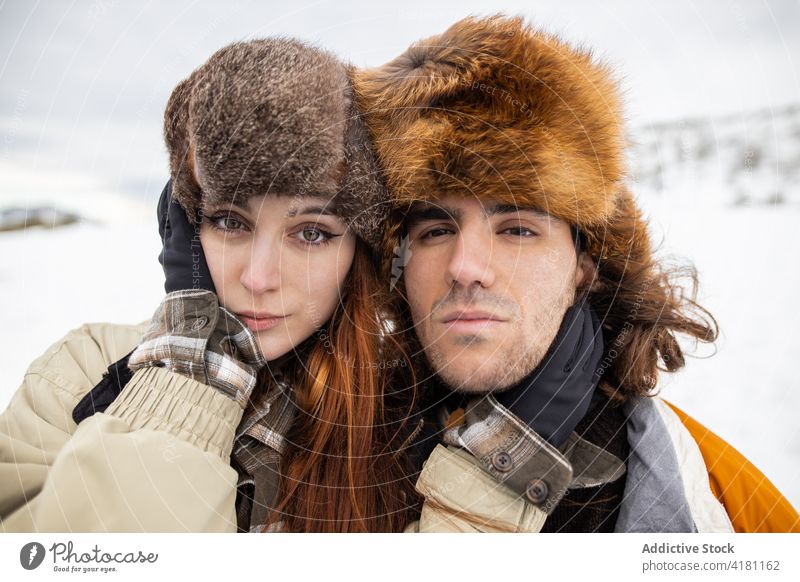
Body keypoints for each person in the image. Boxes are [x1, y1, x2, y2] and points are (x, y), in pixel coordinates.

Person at [354, 14, 800, 533]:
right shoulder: (312, 464)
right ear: (397, 264)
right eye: (434, 231)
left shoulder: (728, 501)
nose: (466, 268)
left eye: (517, 229)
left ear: (585, 267)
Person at [0, 38, 418, 533]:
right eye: (230, 221)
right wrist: (191, 366)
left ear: (361, 252)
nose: (258, 279)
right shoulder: (80, 373)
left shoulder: (410, 410)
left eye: (311, 233)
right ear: (185, 228)